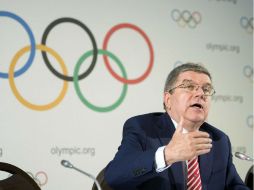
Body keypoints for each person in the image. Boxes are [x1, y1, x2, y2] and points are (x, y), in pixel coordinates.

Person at [104, 63, 249, 190]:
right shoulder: (143, 128)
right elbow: (115, 177)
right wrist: (167, 154)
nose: (200, 93)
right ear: (168, 100)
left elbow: (235, 186)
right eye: (189, 87)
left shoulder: (219, 140)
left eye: (206, 89)